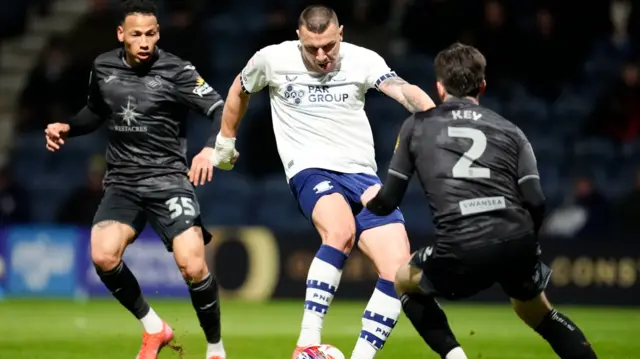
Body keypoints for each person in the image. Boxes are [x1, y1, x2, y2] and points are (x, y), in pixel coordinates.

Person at [189, 5, 435, 359]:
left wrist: (435, 119)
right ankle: (306, 342)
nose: (321, 56)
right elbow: (239, 89)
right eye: (312, 48)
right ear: (298, 38)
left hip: (361, 174)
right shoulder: (271, 59)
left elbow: (403, 90)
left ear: (342, 34)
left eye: (329, 47)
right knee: (340, 231)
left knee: (400, 269)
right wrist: (225, 143)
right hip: (310, 169)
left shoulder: (363, 59)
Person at [360, 43, 598, 359]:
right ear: (482, 85)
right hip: (516, 237)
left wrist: (363, 207)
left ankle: (456, 357)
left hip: (462, 245)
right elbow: (536, 200)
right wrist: (528, 245)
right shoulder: (511, 130)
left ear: (439, 87)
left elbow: (388, 200)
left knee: (403, 280)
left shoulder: (416, 127)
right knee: (540, 314)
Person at [43, 1, 228, 359]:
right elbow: (96, 111)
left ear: (159, 33)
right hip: (123, 181)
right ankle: (154, 328)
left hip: (169, 179)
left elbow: (220, 109)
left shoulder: (178, 70)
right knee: (102, 255)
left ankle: (215, 348)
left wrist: (209, 151)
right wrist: (70, 126)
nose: (144, 42)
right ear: (121, 35)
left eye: (151, 34)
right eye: (136, 35)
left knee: (192, 264)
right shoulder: (103, 66)